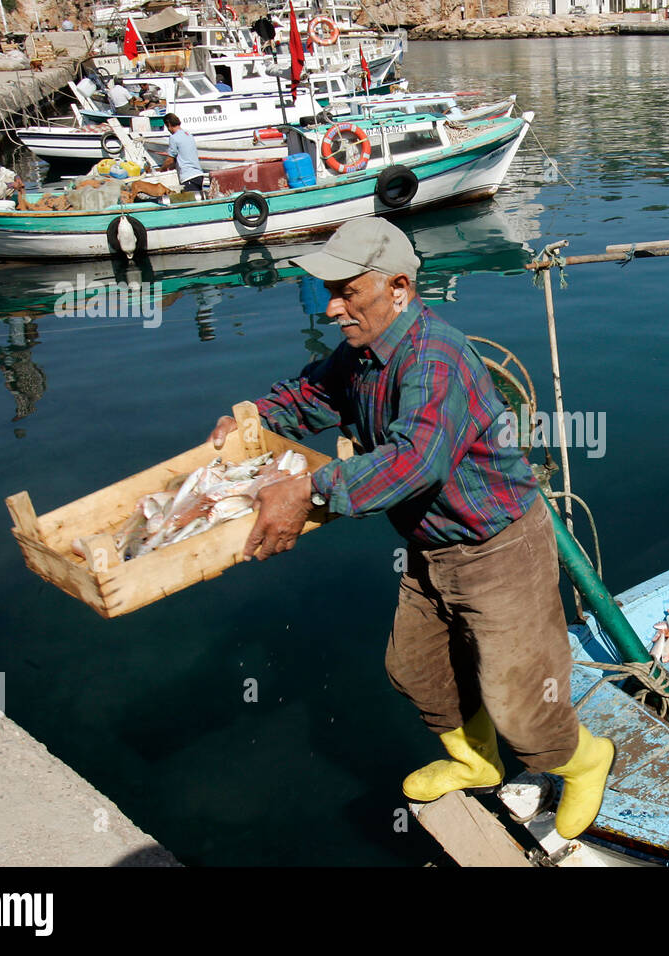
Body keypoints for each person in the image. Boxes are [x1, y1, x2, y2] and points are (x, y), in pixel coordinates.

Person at [204, 218, 616, 840]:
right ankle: (477, 763)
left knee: (522, 708)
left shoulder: (436, 356)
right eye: (329, 291)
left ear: (398, 287)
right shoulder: (361, 354)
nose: (332, 306)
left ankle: (585, 761)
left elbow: (414, 462)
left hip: (499, 545)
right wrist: (257, 415)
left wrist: (310, 489)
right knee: (415, 668)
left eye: (347, 291)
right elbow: (313, 394)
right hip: (431, 547)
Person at [159, 114, 204, 192]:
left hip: (188, 177)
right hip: (199, 175)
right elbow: (182, 156)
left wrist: (161, 169)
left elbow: (170, 160)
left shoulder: (174, 138)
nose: (168, 130)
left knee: (190, 202)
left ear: (169, 124)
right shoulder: (189, 135)